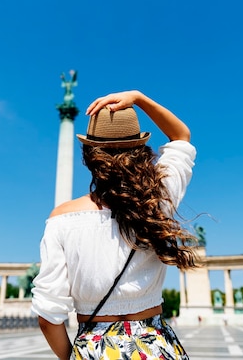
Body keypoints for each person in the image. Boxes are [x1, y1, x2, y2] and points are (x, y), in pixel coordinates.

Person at [32, 90, 198, 360]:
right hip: (156, 347)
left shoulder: (61, 219)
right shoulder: (158, 198)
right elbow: (181, 137)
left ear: (89, 156)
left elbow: (48, 317)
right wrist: (139, 98)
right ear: (141, 150)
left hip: (95, 349)